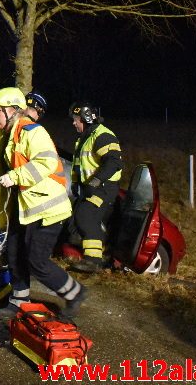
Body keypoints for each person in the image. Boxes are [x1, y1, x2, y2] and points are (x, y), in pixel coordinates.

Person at [0, 87, 87, 320]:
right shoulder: (8, 133)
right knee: (15, 253)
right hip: (25, 208)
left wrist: (16, 176)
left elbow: (47, 162)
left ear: (14, 111)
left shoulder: (31, 131)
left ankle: (75, 293)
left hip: (48, 209)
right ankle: (19, 302)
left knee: (36, 261)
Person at [67, 101, 123, 273]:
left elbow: (114, 161)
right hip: (91, 188)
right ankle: (98, 254)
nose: (74, 123)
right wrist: (76, 183)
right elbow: (78, 164)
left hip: (104, 188)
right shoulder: (84, 138)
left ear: (85, 118)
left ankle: (93, 261)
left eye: (76, 119)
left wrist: (96, 181)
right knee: (76, 218)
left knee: (86, 216)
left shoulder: (102, 135)